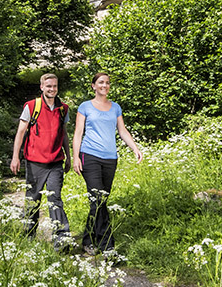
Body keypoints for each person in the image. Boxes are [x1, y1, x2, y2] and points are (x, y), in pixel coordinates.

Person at [72, 72, 143, 254]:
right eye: (101, 82)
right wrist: (75, 157)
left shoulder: (115, 107)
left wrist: (135, 148)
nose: (105, 85)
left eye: (107, 83)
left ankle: (88, 240)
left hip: (110, 158)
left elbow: (122, 131)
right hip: (90, 156)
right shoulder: (85, 106)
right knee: (97, 199)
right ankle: (107, 245)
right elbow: (78, 133)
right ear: (94, 86)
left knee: (101, 201)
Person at [11, 73, 72, 249]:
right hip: (35, 162)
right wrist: (16, 157)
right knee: (33, 200)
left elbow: (64, 134)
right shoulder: (32, 106)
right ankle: (28, 237)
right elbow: (21, 132)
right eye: (49, 86)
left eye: (55, 86)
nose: (52, 89)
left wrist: (68, 156)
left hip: (56, 163)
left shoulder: (63, 109)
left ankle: (62, 241)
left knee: (55, 200)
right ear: (42, 87)